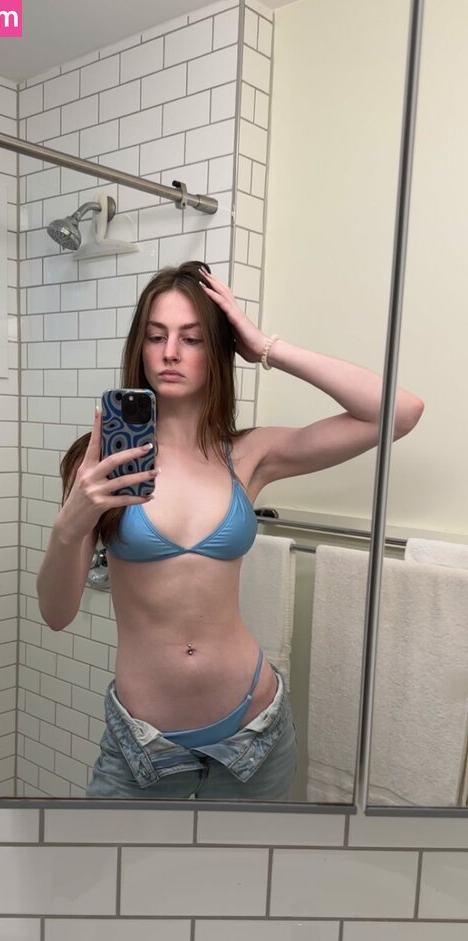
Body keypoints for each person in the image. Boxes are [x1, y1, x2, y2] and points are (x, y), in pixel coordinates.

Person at [37, 261, 424, 800]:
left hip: (255, 733)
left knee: (248, 861)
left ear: (217, 350)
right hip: (143, 747)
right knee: (109, 860)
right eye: (156, 336)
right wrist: (71, 522)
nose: (171, 352)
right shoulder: (98, 460)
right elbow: (56, 615)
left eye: (192, 338)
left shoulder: (248, 454)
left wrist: (266, 347)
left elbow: (400, 412)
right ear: (140, 348)